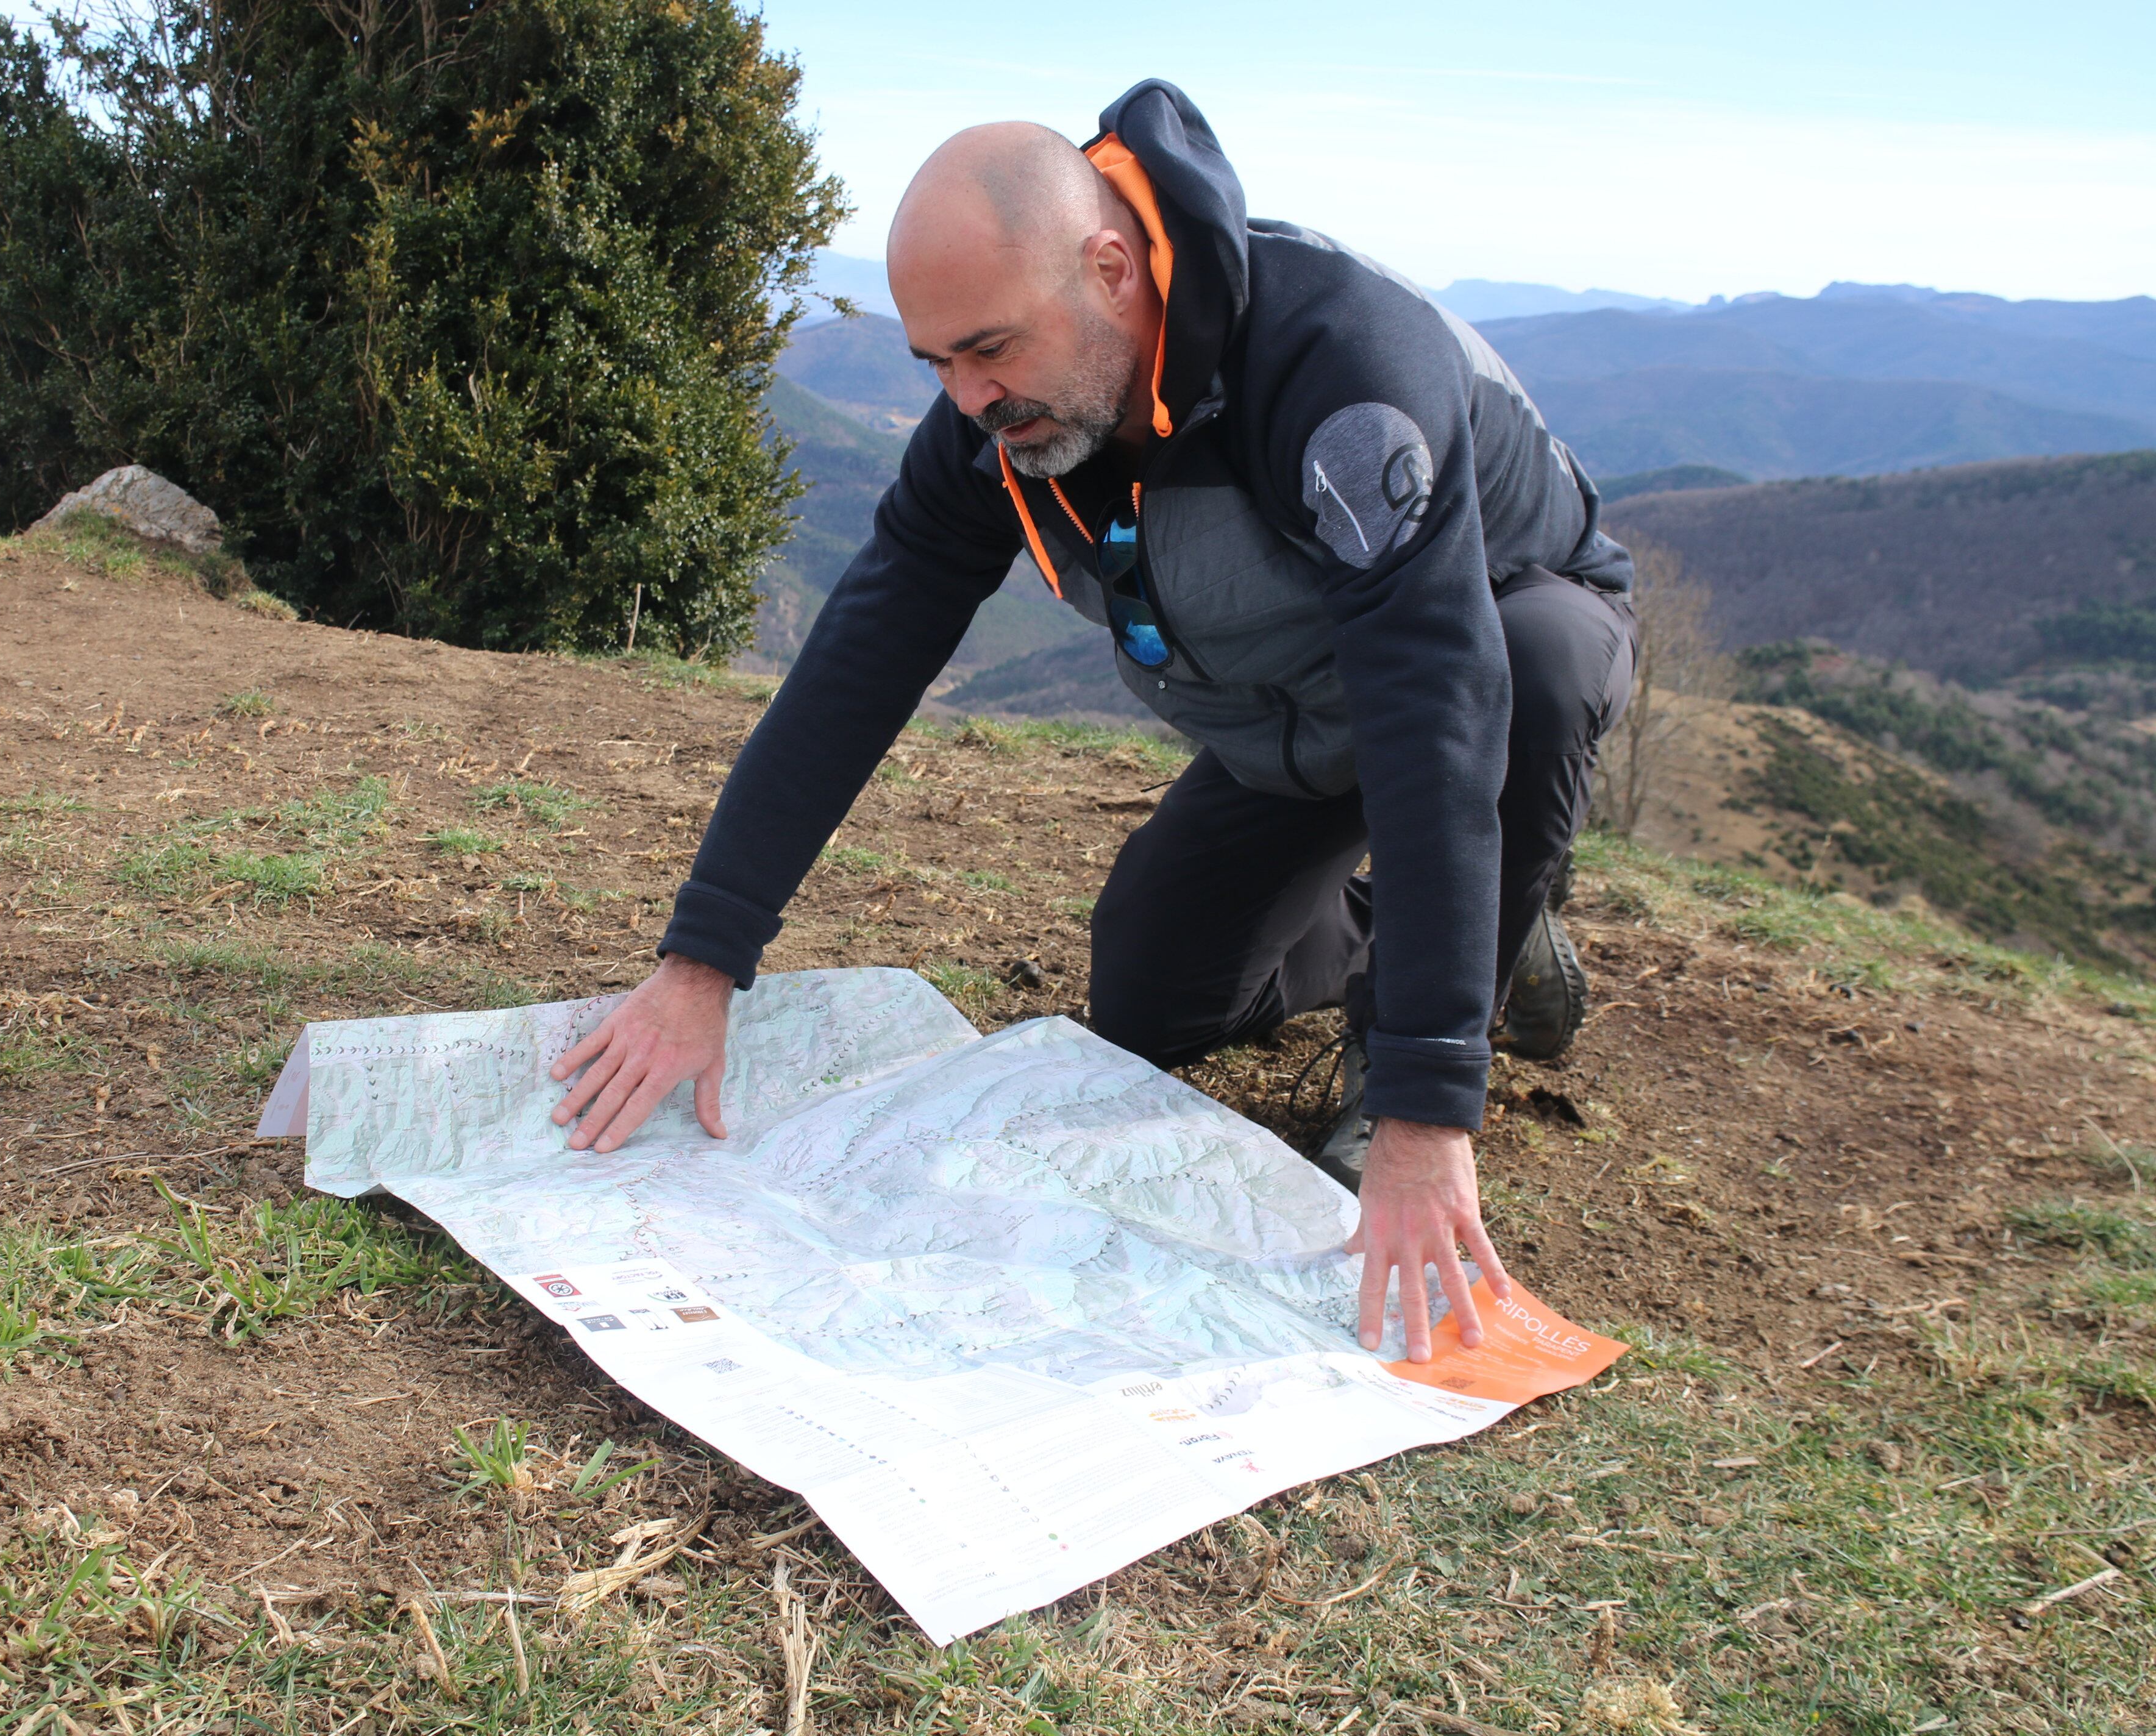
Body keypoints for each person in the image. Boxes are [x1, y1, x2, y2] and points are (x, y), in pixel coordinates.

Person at [548, 81, 1637, 1364]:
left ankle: (1440, 984)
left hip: (1476, 661)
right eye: (937, 363)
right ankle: (1470, 926)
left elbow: (1437, 706)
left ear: (1111, 270)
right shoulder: (996, 418)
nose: (969, 398)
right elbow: (860, 661)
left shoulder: (1341, 371)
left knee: (1537, 664)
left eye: (991, 350)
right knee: (1149, 994)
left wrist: (1426, 1104)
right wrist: (702, 961)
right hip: (1287, 720)